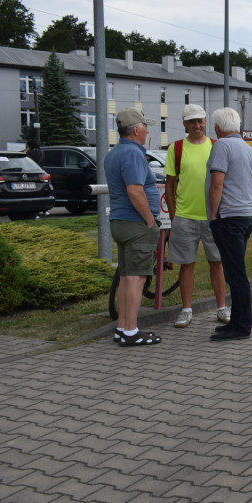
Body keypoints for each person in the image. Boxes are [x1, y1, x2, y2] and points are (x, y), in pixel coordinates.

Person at [165, 104, 230, 329]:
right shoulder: (177, 148)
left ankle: (222, 307)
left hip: (213, 217)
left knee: (217, 263)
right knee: (186, 264)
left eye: (200, 120)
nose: (197, 125)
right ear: (184, 124)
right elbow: (170, 186)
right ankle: (186, 309)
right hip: (185, 217)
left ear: (206, 121)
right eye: (192, 121)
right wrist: (174, 216)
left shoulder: (216, 145)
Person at [105, 108, 161, 347]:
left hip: (121, 221)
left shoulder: (115, 152)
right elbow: (135, 190)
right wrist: (150, 220)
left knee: (127, 278)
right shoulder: (133, 154)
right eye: (145, 127)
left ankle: (122, 328)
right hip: (135, 223)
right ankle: (131, 331)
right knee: (136, 279)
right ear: (136, 129)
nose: (148, 131)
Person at [207, 107, 252, 341]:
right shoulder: (249, 149)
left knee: (236, 274)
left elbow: (217, 184)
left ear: (218, 128)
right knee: (234, 271)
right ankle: (237, 322)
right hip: (248, 215)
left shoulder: (222, 146)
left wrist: (213, 214)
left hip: (230, 217)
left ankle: (241, 327)